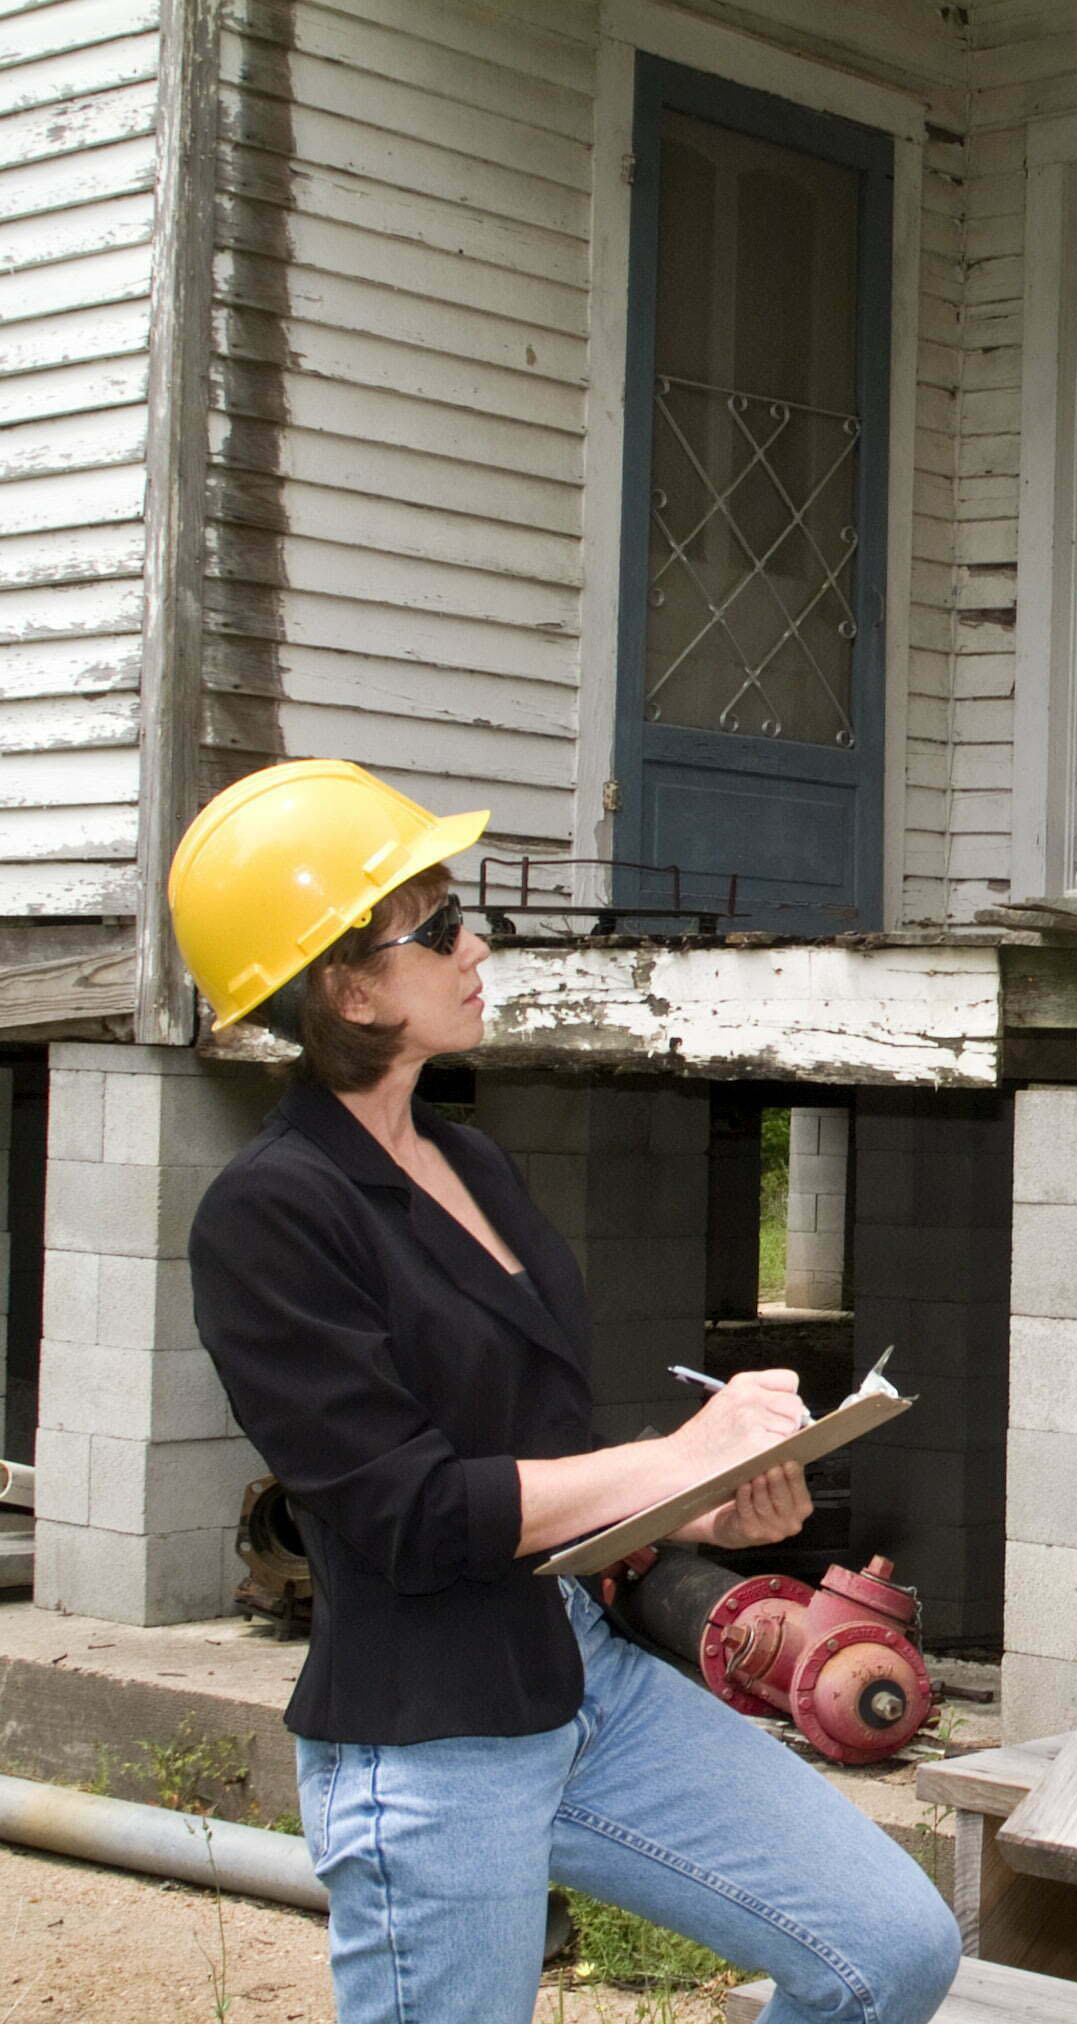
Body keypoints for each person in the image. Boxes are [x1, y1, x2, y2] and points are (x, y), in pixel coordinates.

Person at [172, 760, 961, 2024]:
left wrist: (701, 1507)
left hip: (581, 1675)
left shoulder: (470, 1159)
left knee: (891, 1945)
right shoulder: (270, 1212)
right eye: (433, 927)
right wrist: (671, 1457)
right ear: (346, 983)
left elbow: (532, 1454)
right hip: (431, 1737)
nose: (475, 940)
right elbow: (408, 1512)